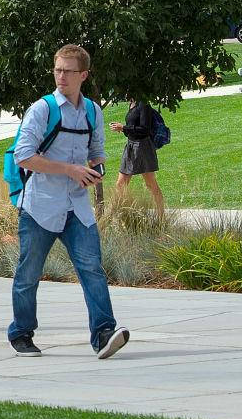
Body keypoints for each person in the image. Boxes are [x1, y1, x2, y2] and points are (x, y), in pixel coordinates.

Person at [9, 44, 130, 360]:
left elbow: (97, 152)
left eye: (68, 71)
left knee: (92, 267)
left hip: (77, 206)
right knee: (29, 272)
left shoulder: (92, 111)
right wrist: (70, 170)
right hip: (40, 205)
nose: (61, 76)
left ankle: (104, 332)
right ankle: (21, 332)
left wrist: (96, 170)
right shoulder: (42, 109)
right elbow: (23, 156)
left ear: (84, 75)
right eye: (57, 69)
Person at [112, 97, 167, 222]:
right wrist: (123, 129)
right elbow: (133, 127)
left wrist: (124, 128)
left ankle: (162, 218)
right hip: (130, 146)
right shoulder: (131, 103)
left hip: (142, 147)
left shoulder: (143, 104)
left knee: (151, 184)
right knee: (120, 184)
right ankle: (120, 217)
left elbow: (145, 129)